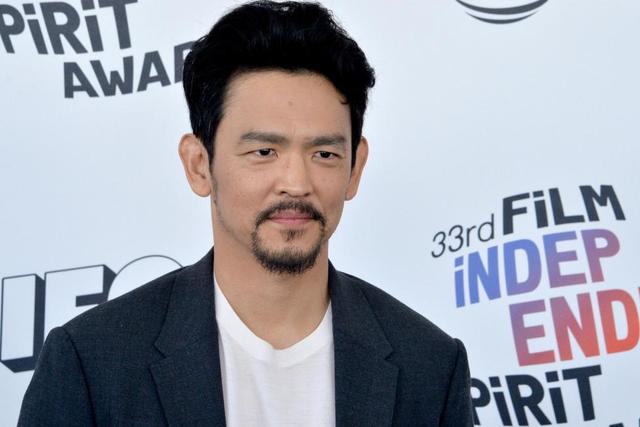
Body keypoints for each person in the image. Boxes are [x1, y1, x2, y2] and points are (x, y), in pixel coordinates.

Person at [18, 1, 472, 425]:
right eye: (264, 151)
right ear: (199, 165)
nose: (296, 182)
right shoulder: (91, 363)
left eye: (325, 154)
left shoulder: (430, 366)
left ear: (355, 169)